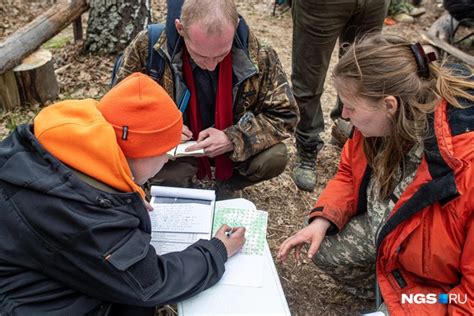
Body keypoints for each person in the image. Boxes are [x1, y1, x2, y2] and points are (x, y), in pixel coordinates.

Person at [0, 73, 246, 315]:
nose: (167, 160)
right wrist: (217, 250)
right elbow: (151, 284)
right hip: (30, 305)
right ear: (142, 152)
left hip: (30, 277)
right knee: (136, 304)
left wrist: (121, 193)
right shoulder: (87, 219)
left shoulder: (53, 145)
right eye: (165, 152)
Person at [278, 35, 474, 314]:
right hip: (394, 236)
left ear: (389, 105)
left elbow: (468, 299)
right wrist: (323, 219)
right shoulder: (384, 122)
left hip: (440, 286)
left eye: (351, 106)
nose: (344, 115)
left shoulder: (464, 169)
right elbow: (348, 172)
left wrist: (404, 307)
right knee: (322, 250)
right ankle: (387, 290)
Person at [114, 0, 299, 198]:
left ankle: (227, 186)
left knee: (274, 157)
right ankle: (178, 186)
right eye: (199, 55)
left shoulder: (259, 54)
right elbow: (117, 111)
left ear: (235, 26)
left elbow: (285, 115)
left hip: (229, 148)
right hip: (174, 150)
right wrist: (161, 130)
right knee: (171, 180)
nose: (210, 66)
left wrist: (233, 138)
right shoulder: (148, 47)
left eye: (221, 55)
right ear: (180, 28)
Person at [291, 0, 389, 192]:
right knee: (308, 79)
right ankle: (307, 145)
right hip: (322, 6)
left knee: (364, 73)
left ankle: (349, 130)